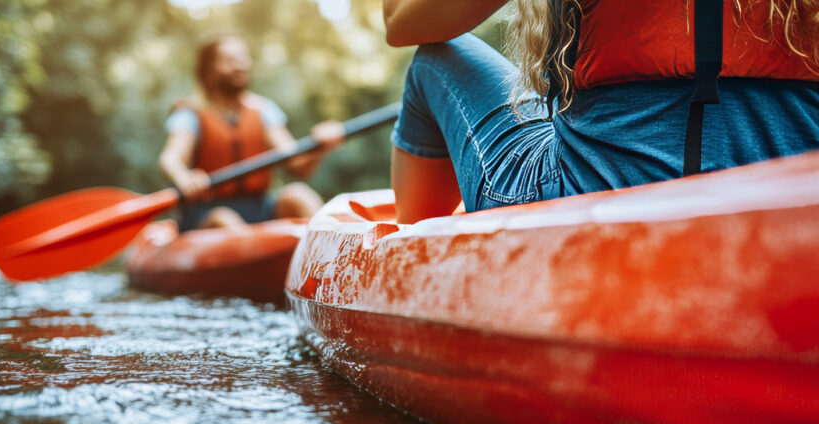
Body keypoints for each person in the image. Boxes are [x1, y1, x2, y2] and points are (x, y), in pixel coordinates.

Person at [383, 0, 819, 224]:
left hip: (588, 198)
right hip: (794, 208)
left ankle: (414, 259)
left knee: (435, 60)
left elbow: (401, 20)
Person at [159, 34, 345, 231]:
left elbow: (296, 165)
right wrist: (184, 177)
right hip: (207, 212)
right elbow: (170, 158)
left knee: (298, 195)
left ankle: (330, 259)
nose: (241, 65)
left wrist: (319, 146)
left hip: (258, 207)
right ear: (208, 71)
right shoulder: (190, 114)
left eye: (243, 58)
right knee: (225, 219)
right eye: (229, 60)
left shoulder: (263, 110)